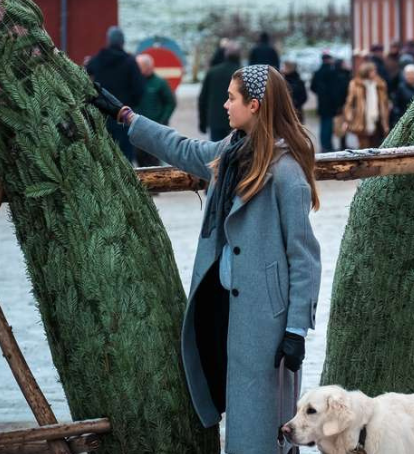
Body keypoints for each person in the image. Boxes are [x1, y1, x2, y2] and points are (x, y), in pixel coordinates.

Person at [88, 65, 322, 454]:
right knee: (234, 406)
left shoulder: (286, 172)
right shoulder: (229, 153)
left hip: (265, 319)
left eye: (232, 98)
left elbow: (305, 257)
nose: (225, 105)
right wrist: (126, 116)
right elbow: (182, 148)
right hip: (221, 306)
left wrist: (296, 329)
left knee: (263, 425)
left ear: (255, 105)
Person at [86, 26, 145, 161]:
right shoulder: (130, 62)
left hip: (102, 116)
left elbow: (86, 76)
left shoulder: (98, 60)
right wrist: (131, 106)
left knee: (104, 157)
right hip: (124, 116)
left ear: (108, 41)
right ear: (123, 42)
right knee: (126, 158)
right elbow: (140, 90)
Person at [134, 53, 177, 167]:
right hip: (137, 127)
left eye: (140, 66)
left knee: (154, 163)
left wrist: (163, 120)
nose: (137, 69)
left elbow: (170, 103)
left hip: (155, 129)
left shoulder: (160, 83)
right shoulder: (135, 82)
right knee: (139, 162)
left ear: (149, 67)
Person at [342, 61, 390, 148]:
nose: (375, 72)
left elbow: (384, 103)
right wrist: (347, 120)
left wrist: (385, 121)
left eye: (375, 70)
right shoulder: (355, 84)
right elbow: (349, 103)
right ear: (366, 72)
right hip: (361, 120)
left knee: (375, 147)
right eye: (372, 71)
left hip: (377, 120)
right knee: (363, 147)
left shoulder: (380, 84)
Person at [200, 41, 241, 141]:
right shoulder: (243, 74)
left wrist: (202, 122)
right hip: (238, 120)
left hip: (215, 120)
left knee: (216, 149)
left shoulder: (213, 72)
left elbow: (203, 98)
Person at [309, 53, 343, 151]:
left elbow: (312, 87)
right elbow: (336, 90)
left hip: (322, 102)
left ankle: (324, 145)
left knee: (324, 124)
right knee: (328, 125)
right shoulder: (332, 72)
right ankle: (328, 146)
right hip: (331, 103)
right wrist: (338, 103)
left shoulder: (317, 72)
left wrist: (320, 93)